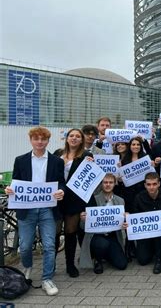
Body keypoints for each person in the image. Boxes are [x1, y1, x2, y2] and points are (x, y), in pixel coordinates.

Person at [5, 126, 65, 296]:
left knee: (49, 245)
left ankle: (47, 278)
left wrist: (61, 191)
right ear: (31, 140)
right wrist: (10, 190)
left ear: (47, 141)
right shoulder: (20, 160)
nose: (40, 142)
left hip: (47, 209)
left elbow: (61, 182)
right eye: (36, 139)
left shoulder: (56, 161)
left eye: (43, 139)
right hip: (26, 209)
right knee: (24, 247)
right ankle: (27, 267)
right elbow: (16, 182)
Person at [54, 128, 93, 278]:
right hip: (56, 199)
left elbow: (89, 177)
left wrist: (91, 164)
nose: (74, 138)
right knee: (55, 234)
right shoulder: (57, 153)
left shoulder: (86, 155)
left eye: (78, 136)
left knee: (71, 233)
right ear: (67, 138)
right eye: (72, 136)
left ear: (82, 140)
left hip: (74, 200)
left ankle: (70, 265)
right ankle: (51, 264)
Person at [79, 173, 128, 274]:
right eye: (105, 182)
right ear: (101, 184)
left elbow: (122, 223)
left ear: (115, 184)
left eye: (111, 182)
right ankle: (98, 260)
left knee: (122, 264)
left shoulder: (120, 200)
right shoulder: (93, 199)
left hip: (112, 236)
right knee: (102, 244)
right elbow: (83, 227)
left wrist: (125, 221)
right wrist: (83, 220)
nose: (108, 185)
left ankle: (106, 255)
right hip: (96, 236)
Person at [132, 172, 161, 274]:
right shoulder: (138, 198)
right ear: (145, 185)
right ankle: (151, 249)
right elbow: (135, 218)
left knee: (159, 229)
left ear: (159, 184)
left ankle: (159, 260)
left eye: (154, 184)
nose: (151, 187)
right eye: (149, 184)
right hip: (145, 232)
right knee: (143, 260)